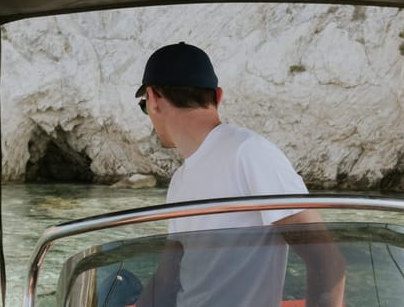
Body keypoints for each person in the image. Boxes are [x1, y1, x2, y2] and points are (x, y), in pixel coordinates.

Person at [134, 42, 346, 307]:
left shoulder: (249, 153)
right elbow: (167, 278)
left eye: (144, 106)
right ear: (218, 96)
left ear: (153, 99)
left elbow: (328, 262)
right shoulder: (180, 180)